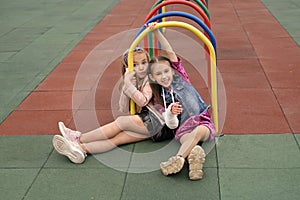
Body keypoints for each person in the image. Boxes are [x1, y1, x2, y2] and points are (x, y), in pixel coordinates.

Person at [52, 25, 180, 164]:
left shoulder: (151, 78)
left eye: (144, 62)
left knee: (120, 122)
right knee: (117, 139)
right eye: (136, 64)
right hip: (158, 128)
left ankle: (78, 138)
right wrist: (126, 85)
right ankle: (81, 149)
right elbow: (124, 107)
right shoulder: (132, 82)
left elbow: (143, 101)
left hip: (158, 120)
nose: (141, 67)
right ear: (128, 68)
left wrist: (129, 86)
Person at [147, 55, 216, 180]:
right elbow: (171, 124)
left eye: (166, 71)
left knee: (199, 131)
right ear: (152, 77)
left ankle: (178, 158)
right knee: (191, 144)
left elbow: (171, 54)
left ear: (173, 70)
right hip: (183, 129)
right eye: (158, 73)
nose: (164, 76)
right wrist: (170, 113)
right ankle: (195, 166)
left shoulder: (182, 79)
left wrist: (158, 34)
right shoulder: (159, 98)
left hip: (202, 121)